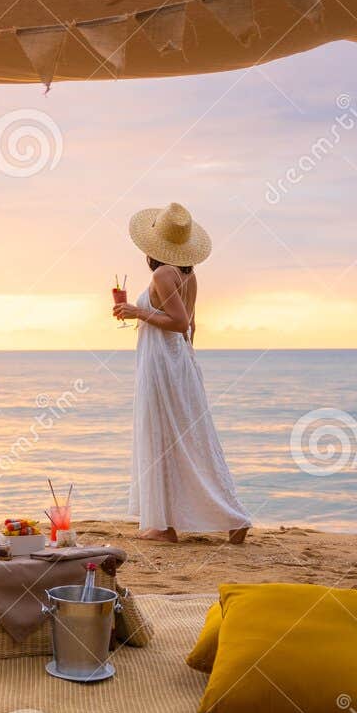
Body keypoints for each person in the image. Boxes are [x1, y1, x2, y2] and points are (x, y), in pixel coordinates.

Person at [112, 202, 251, 544]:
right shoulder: (188, 274)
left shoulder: (162, 274)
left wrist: (136, 311)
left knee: (162, 433)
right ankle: (226, 517)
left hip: (163, 361)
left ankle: (164, 526)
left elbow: (179, 322)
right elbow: (190, 325)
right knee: (190, 437)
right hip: (179, 358)